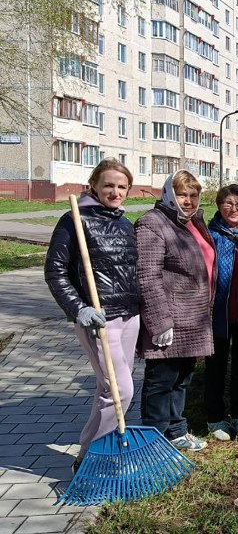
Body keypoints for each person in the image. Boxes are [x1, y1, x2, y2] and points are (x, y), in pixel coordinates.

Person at [45, 158, 141, 473]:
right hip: (98, 319)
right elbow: (55, 271)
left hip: (129, 315)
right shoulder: (74, 219)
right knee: (121, 390)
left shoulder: (125, 224)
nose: (115, 191)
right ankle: (93, 458)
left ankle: (92, 454)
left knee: (108, 390)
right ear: (94, 186)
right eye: (109, 185)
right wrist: (78, 308)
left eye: (121, 186)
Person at [136, 170, 215, 452]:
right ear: (169, 194)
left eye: (193, 195)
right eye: (182, 194)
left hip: (193, 317)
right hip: (169, 317)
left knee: (183, 378)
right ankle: (152, 440)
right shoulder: (153, 223)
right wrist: (159, 322)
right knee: (161, 381)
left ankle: (176, 431)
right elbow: (147, 276)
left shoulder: (192, 223)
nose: (189, 200)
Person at [205, 185, 238, 441]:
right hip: (218, 312)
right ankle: (214, 416)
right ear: (218, 205)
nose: (233, 209)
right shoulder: (209, 233)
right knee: (215, 366)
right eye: (227, 203)